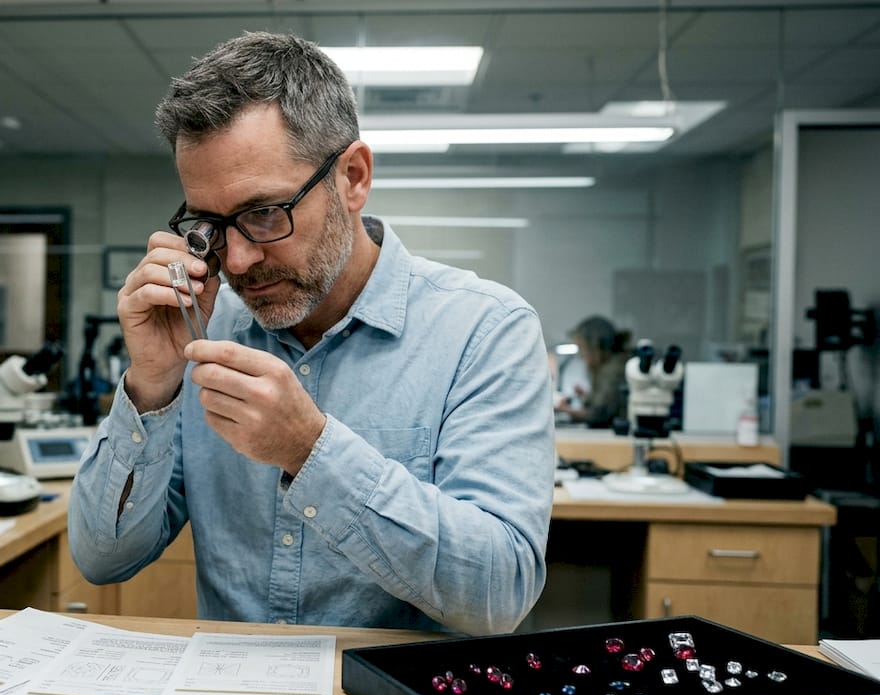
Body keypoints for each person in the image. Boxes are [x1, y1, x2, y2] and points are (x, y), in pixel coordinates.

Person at [67, 32, 555, 636]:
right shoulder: (201, 329)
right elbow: (101, 559)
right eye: (212, 224)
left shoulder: (483, 330)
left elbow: (498, 596)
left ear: (352, 177)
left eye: (265, 213)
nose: (238, 260)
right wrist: (152, 386)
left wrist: (310, 451)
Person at [555, 315, 632, 429]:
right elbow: (606, 405)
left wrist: (566, 410)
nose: (580, 355)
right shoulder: (610, 365)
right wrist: (586, 397)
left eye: (582, 348)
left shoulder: (613, 370)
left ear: (594, 346)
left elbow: (599, 416)